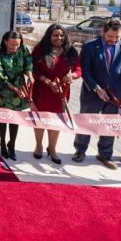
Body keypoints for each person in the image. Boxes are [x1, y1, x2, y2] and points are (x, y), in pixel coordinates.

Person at [73, 18, 121, 169]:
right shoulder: (89, 47)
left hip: (115, 93)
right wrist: (97, 88)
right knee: (86, 121)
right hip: (92, 92)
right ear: (102, 32)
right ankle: (80, 150)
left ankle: (105, 154)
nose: (113, 40)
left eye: (117, 37)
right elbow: (85, 70)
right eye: (110, 37)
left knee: (110, 124)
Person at [31, 24, 81, 164]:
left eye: (61, 35)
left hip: (61, 93)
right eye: (55, 35)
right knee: (40, 120)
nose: (59, 38)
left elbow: (78, 69)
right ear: (49, 36)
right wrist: (47, 81)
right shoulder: (39, 50)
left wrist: (72, 75)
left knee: (56, 121)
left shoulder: (70, 51)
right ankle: (38, 146)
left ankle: (52, 149)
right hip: (41, 90)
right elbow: (33, 70)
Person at [0, 31, 33, 160]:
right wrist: (14, 89)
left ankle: (12, 144)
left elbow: (28, 63)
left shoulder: (23, 50)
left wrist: (30, 75)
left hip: (20, 89)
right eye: (12, 45)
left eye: (17, 45)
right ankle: (3, 143)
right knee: (3, 117)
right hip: (5, 90)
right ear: (5, 42)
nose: (15, 48)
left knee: (15, 118)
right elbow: (0, 75)